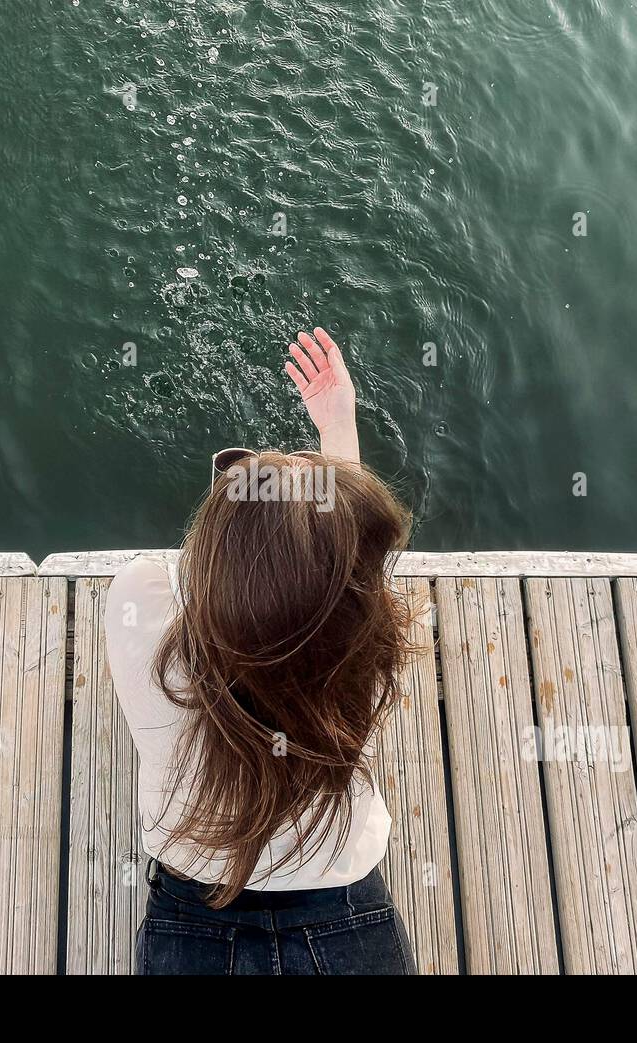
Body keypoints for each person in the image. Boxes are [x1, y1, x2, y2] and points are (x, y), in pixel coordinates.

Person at [105, 327, 420, 975]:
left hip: (196, 907)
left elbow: (334, 573)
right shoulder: (359, 642)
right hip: (343, 904)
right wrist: (338, 426)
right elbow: (348, 576)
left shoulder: (139, 598)